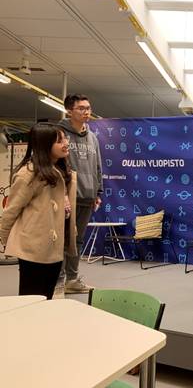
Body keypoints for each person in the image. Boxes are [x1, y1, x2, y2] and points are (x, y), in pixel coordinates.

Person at [0, 123, 77, 299]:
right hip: (33, 249)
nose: (66, 143)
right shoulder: (28, 174)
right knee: (31, 299)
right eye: (59, 141)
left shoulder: (64, 172)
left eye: (65, 139)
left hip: (54, 249)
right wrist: (8, 242)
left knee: (47, 296)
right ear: (44, 145)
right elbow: (11, 211)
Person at [56, 94, 103, 294]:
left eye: (88, 108)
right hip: (66, 196)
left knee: (78, 239)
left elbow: (97, 166)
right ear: (69, 111)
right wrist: (62, 193)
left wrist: (98, 191)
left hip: (87, 196)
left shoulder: (93, 138)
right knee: (62, 239)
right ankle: (58, 281)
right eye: (81, 108)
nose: (86, 112)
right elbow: (55, 165)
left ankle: (72, 279)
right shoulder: (59, 134)